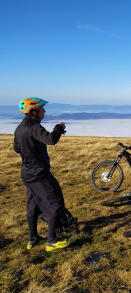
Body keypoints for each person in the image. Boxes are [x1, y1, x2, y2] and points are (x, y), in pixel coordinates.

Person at [13, 97, 72, 252]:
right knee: (55, 203)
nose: (44, 111)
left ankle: (33, 238)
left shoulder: (19, 128)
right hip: (39, 174)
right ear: (34, 111)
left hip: (27, 174)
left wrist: (31, 149)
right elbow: (51, 140)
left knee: (32, 206)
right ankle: (51, 241)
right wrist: (59, 127)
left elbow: (16, 148)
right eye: (42, 109)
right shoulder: (35, 127)